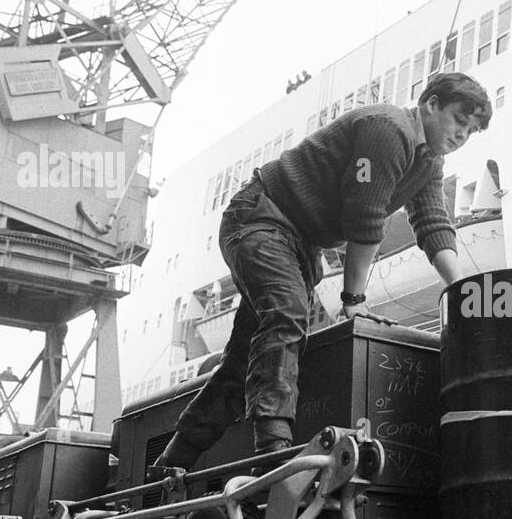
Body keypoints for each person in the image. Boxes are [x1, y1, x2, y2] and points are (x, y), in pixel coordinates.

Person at [155, 73, 491, 470]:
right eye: (458, 121)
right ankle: (274, 450)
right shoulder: (388, 129)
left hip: (298, 242)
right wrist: (354, 301)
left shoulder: (428, 162)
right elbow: (365, 219)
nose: (461, 135)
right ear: (431, 104)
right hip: (261, 218)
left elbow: (434, 224)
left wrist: (467, 292)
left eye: (471, 131)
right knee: (287, 313)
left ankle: (171, 462)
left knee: (246, 358)